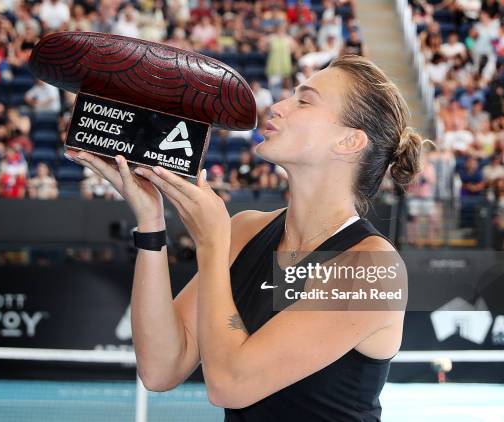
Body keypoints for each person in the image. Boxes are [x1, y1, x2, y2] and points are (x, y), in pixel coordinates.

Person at [66, 55, 423, 420]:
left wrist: (211, 244)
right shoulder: (245, 230)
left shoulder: (373, 269)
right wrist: (150, 221)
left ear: (349, 141)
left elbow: (230, 384)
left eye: (304, 100)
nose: (278, 106)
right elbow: (160, 368)